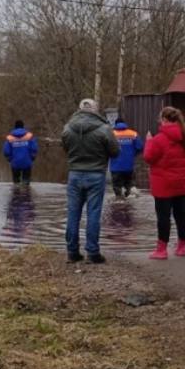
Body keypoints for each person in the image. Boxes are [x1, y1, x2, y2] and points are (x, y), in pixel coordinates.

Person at [61, 98, 120, 265]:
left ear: (79, 110)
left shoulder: (67, 128)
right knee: (93, 213)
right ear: (95, 110)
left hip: (74, 174)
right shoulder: (104, 128)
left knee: (73, 213)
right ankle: (92, 252)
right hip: (96, 174)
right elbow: (115, 152)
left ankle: (72, 252)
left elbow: (65, 148)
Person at [143, 106, 185, 260]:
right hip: (181, 182)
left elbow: (148, 158)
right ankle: (182, 246)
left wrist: (148, 142)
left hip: (163, 184)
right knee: (181, 214)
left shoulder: (158, 139)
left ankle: (162, 250)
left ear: (164, 120)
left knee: (163, 216)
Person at [109, 119, 144, 198]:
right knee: (129, 184)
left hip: (115, 167)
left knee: (117, 187)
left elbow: (106, 148)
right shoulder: (133, 134)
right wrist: (133, 154)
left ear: (115, 124)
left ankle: (119, 200)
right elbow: (140, 147)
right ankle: (130, 195)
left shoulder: (111, 134)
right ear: (125, 123)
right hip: (129, 166)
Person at [2, 120, 38, 184]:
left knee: (16, 184)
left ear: (15, 127)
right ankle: (26, 192)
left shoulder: (10, 137)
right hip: (27, 162)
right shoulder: (29, 136)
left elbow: (6, 151)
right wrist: (32, 157)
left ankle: (16, 192)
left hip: (15, 163)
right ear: (23, 126)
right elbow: (34, 148)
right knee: (26, 183)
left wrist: (9, 159)